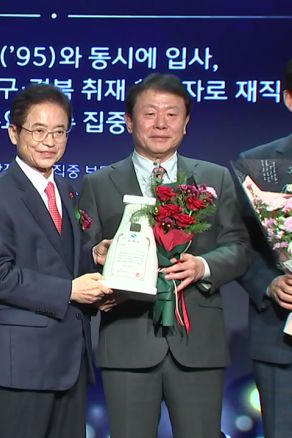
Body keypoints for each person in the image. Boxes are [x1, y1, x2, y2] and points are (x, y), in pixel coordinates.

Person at [80, 73, 249, 438]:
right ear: (129, 121)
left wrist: (203, 266)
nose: (161, 124)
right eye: (150, 113)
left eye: (172, 114)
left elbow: (238, 246)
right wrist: (96, 253)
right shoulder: (98, 183)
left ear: (186, 123)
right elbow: (81, 252)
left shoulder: (215, 178)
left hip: (198, 342)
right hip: (127, 339)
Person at [0, 84, 110, 438]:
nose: (50, 141)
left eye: (59, 131)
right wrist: (69, 291)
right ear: (13, 132)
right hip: (21, 366)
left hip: (71, 362)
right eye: (38, 130)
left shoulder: (67, 189)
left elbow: (60, 261)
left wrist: (94, 256)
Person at [235, 59, 292, 438]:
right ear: (289, 98)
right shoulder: (258, 166)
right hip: (281, 340)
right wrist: (269, 283)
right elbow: (238, 244)